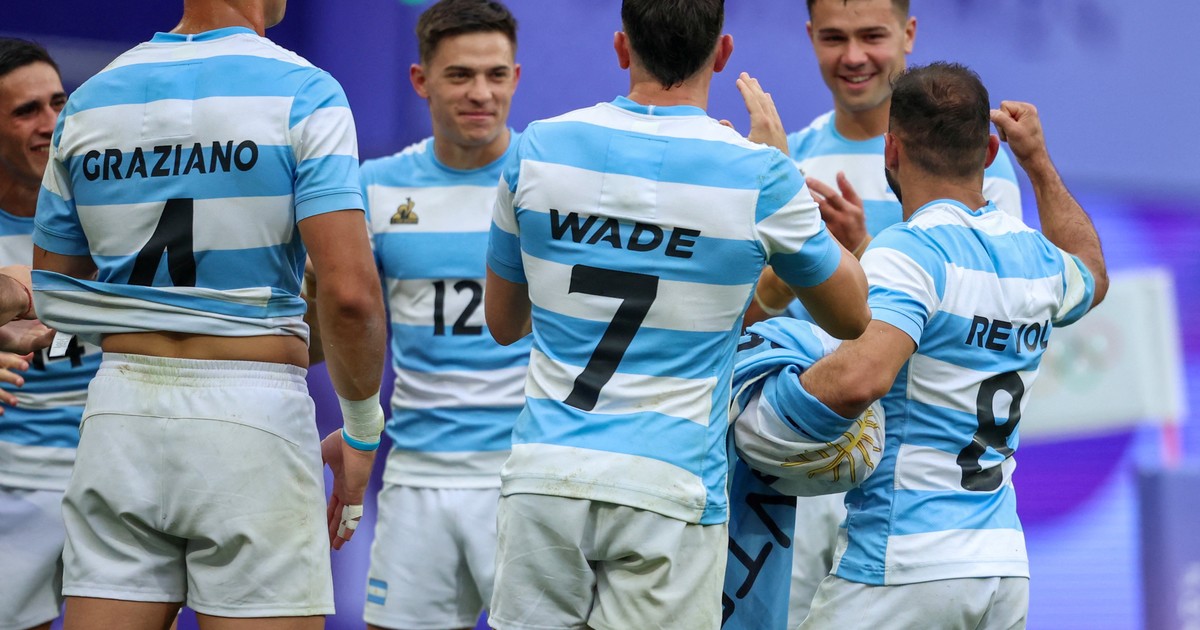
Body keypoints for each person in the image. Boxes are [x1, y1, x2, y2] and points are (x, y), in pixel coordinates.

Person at [483, 0, 871, 626]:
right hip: (670, 489)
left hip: (544, 478)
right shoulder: (759, 174)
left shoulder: (536, 150)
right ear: (722, 53)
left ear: (622, 47)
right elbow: (853, 316)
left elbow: (504, 323)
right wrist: (785, 174)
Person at [30, 1, 388, 628]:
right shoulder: (305, 91)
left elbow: (57, 288)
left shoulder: (90, 100)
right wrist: (361, 429)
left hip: (120, 418)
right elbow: (351, 297)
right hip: (252, 423)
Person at [754, 62, 1105, 628]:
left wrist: (760, 409)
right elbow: (1093, 272)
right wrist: (1038, 163)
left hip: (905, 563)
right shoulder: (1039, 259)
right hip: (1002, 571)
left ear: (890, 150)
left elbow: (858, 380)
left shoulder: (909, 250)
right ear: (990, 152)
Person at [742, 1, 1023, 624]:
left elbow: (996, 315)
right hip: (805, 462)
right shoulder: (790, 161)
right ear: (809, 36)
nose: (853, 57)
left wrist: (859, 257)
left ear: (909, 33)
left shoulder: (975, 163)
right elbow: (744, 331)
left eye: (872, 35)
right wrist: (790, 275)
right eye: (833, 38)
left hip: (923, 480)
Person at [355, 1, 528, 628]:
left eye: (496, 74)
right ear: (420, 80)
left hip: (526, 477)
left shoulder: (549, 180)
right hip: (415, 476)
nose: (481, 93)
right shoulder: (375, 186)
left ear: (515, 77)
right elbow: (331, 331)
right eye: (459, 75)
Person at [0, 38, 99, 630]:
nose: (51, 124)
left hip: (114, 477)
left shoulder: (114, 215)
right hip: (11, 484)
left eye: (59, 103)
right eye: (26, 111)